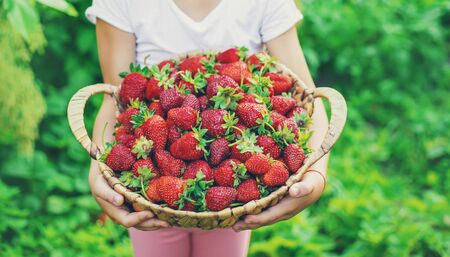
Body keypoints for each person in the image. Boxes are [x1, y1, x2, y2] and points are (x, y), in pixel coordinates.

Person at [85, 0, 329, 256]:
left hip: (232, 205)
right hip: (149, 199)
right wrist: (98, 171)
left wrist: (316, 175)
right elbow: (115, 102)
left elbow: (309, 100)